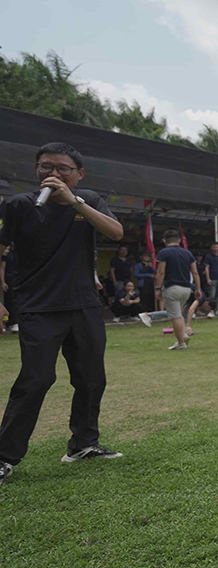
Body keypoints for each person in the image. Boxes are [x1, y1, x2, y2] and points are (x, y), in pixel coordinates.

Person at [0, 142, 126, 484]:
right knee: (36, 379)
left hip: (84, 304)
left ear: (78, 174)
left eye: (62, 169)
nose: (53, 174)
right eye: (45, 167)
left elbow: (115, 232)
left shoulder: (89, 201)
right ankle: (5, 457)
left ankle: (83, 444)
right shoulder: (19, 205)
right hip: (37, 306)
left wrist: (76, 202)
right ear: (36, 170)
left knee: (90, 378)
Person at [140, 230, 200, 349]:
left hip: (172, 287)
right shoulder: (188, 253)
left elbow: (161, 272)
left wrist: (157, 288)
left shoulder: (163, 253)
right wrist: (198, 288)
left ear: (164, 241)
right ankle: (182, 335)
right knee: (178, 314)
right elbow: (195, 272)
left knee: (176, 316)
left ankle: (181, 342)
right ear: (179, 240)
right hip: (187, 289)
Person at [1, 245, 18, 333]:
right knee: (8, 302)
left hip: (16, 280)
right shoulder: (6, 255)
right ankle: (8, 323)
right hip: (8, 280)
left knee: (15, 302)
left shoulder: (16, 254)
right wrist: (3, 282)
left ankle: (13, 322)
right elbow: (2, 268)